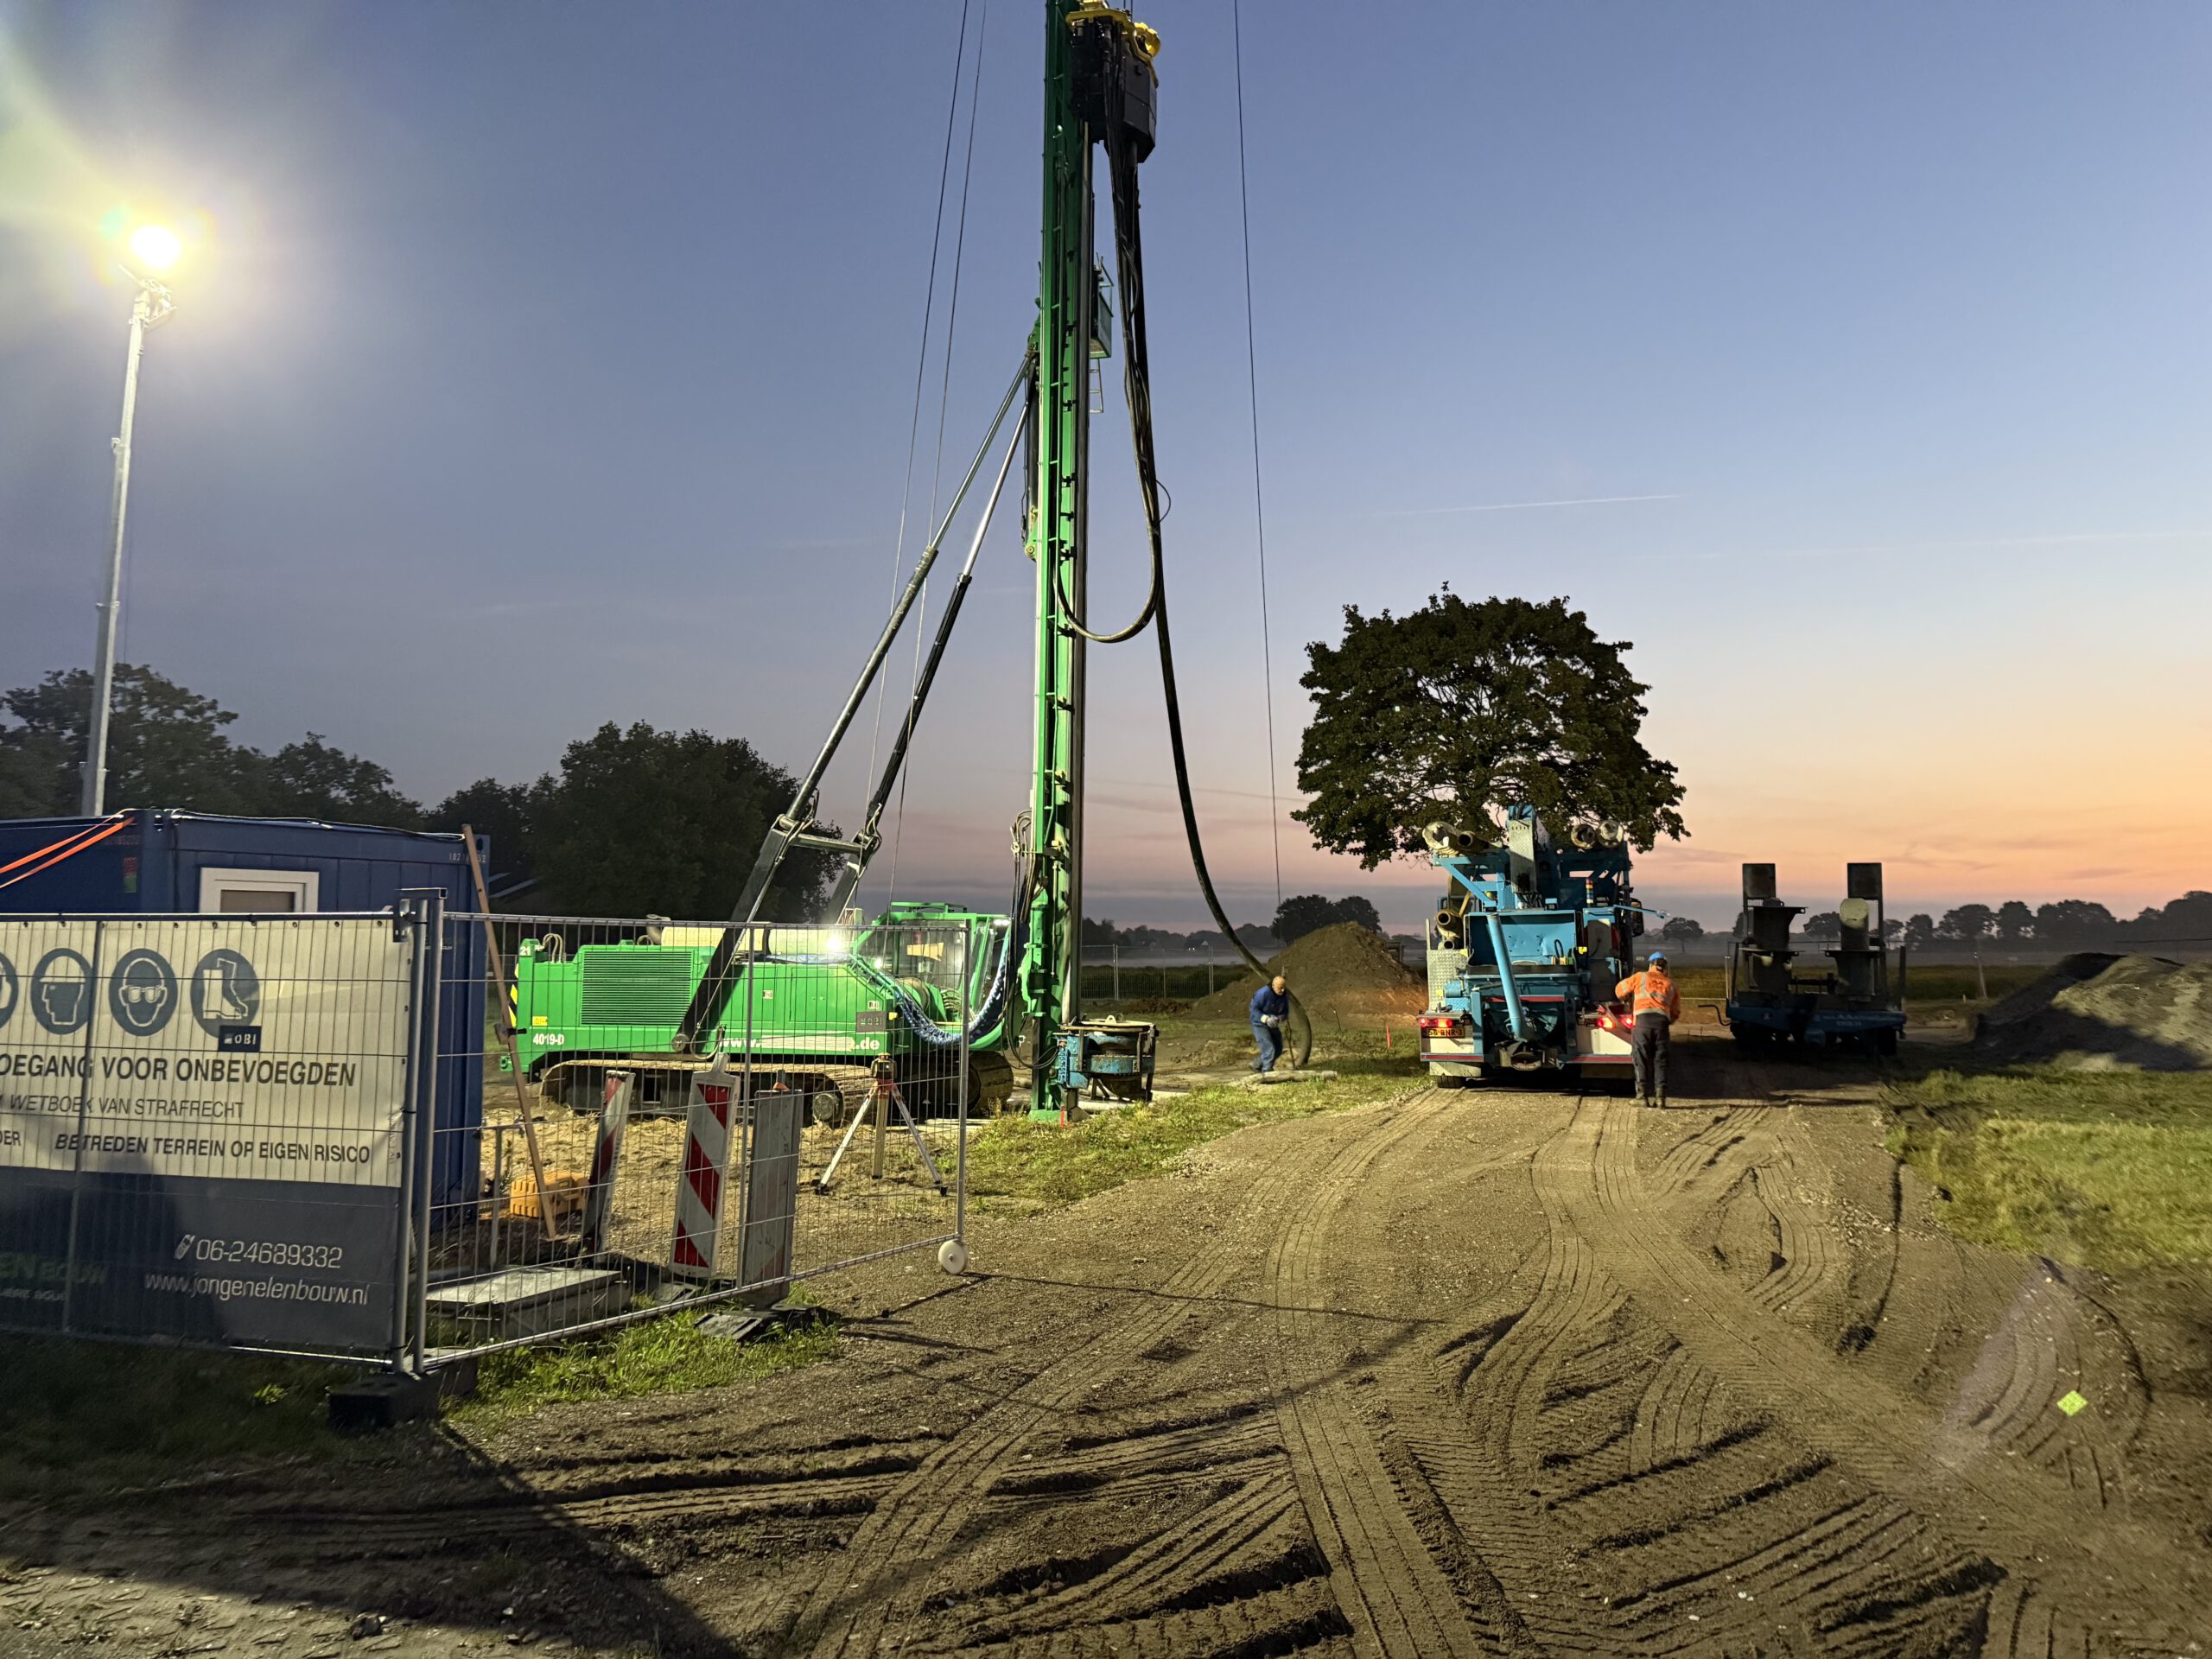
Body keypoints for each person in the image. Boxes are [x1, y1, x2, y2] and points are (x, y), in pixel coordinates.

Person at [1615, 950, 1681, 1107]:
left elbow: (1619, 990)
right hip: (1661, 1025)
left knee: (1641, 1059)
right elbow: (1676, 1012)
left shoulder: (1640, 977)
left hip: (1642, 1024)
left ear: (1651, 965)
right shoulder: (1671, 984)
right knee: (1661, 1061)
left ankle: (1642, 1097)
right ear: (1665, 967)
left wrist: (1627, 999)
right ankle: (1661, 1099)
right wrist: (1665, 1021)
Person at [1249, 975, 1291, 1074]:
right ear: (1273, 986)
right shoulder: (1262, 993)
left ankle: (1256, 1064)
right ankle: (1267, 1071)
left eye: (1284, 987)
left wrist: (1279, 1018)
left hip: (1273, 1023)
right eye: (1280, 988)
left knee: (1278, 1048)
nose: (1282, 990)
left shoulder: (1284, 995)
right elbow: (1253, 1009)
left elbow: (1285, 1011)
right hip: (1259, 1023)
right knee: (1269, 1048)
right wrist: (1266, 1018)